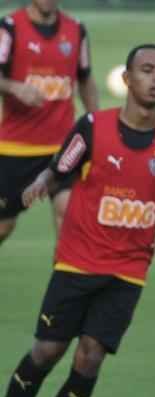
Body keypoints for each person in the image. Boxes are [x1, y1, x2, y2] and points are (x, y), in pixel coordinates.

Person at [0, 44, 155, 397]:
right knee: (47, 350)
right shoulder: (91, 128)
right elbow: (59, 168)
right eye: (147, 70)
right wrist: (39, 184)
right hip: (77, 262)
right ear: (127, 79)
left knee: (89, 358)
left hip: (128, 271)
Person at [0, 0, 98, 247]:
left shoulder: (76, 30)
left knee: (69, 217)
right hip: (15, 148)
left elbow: (85, 80)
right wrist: (14, 87)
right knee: (4, 225)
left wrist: (99, 125)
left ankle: (65, 284)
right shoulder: (9, 27)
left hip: (62, 147)